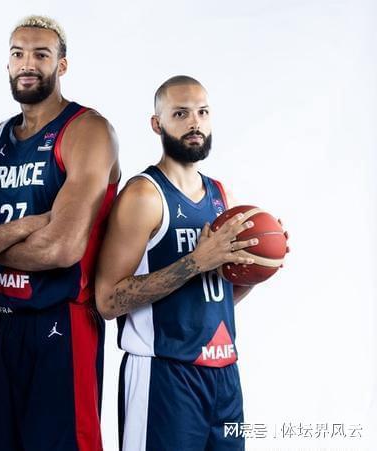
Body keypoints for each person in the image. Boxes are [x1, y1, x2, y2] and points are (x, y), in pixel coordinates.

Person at [0, 15, 120, 451]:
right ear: (7, 63)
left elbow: (62, 248)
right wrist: (25, 226)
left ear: (62, 64)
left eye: (41, 54)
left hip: (62, 320)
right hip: (0, 324)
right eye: (18, 54)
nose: (28, 64)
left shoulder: (87, 130)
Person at [96, 76, 257, 451]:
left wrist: (257, 267)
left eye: (202, 112)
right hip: (163, 373)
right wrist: (196, 261)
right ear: (157, 124)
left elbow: (213, 299)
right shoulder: (143, 195)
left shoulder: (221, 195)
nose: (195, 123)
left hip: (224, 374)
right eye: (181, 114)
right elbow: (107, 301)